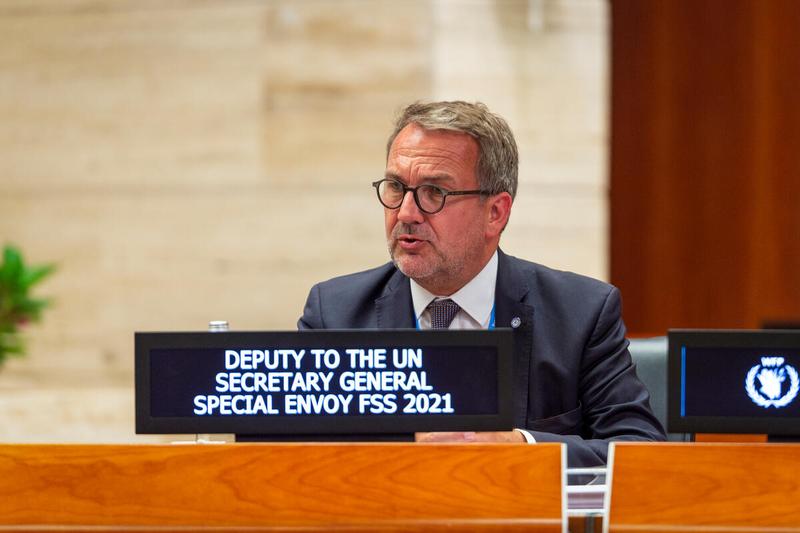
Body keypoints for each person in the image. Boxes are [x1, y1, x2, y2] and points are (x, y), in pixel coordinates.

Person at [298, 101, 665, 466]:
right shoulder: (336, 314)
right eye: (396, 186)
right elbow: (292, 456)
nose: (406, 213)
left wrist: (521, 445)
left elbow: (641, 451)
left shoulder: (580, 313)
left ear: (495, 213)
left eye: (434, 192)